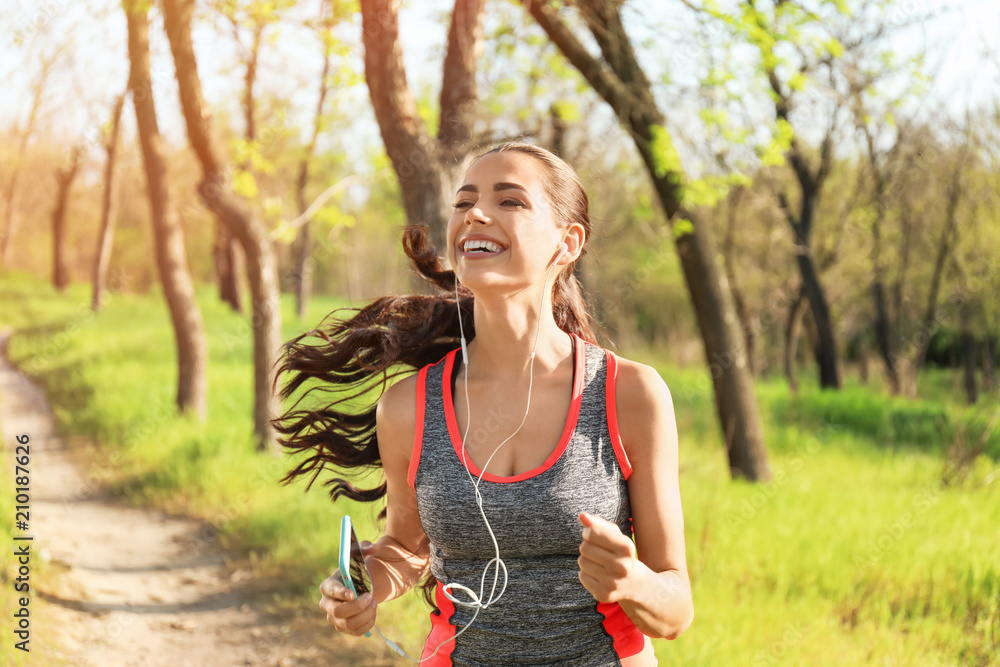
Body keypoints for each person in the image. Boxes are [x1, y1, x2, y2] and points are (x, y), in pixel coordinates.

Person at [274, 143, 693, 666]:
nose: (475, 213)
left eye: (510, 201)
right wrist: (364, 587)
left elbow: (676, 610)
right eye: (464, 202)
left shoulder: (628, 394)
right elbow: (405, 547)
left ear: (567, 243)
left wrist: (633, 582)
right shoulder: (409, 407)